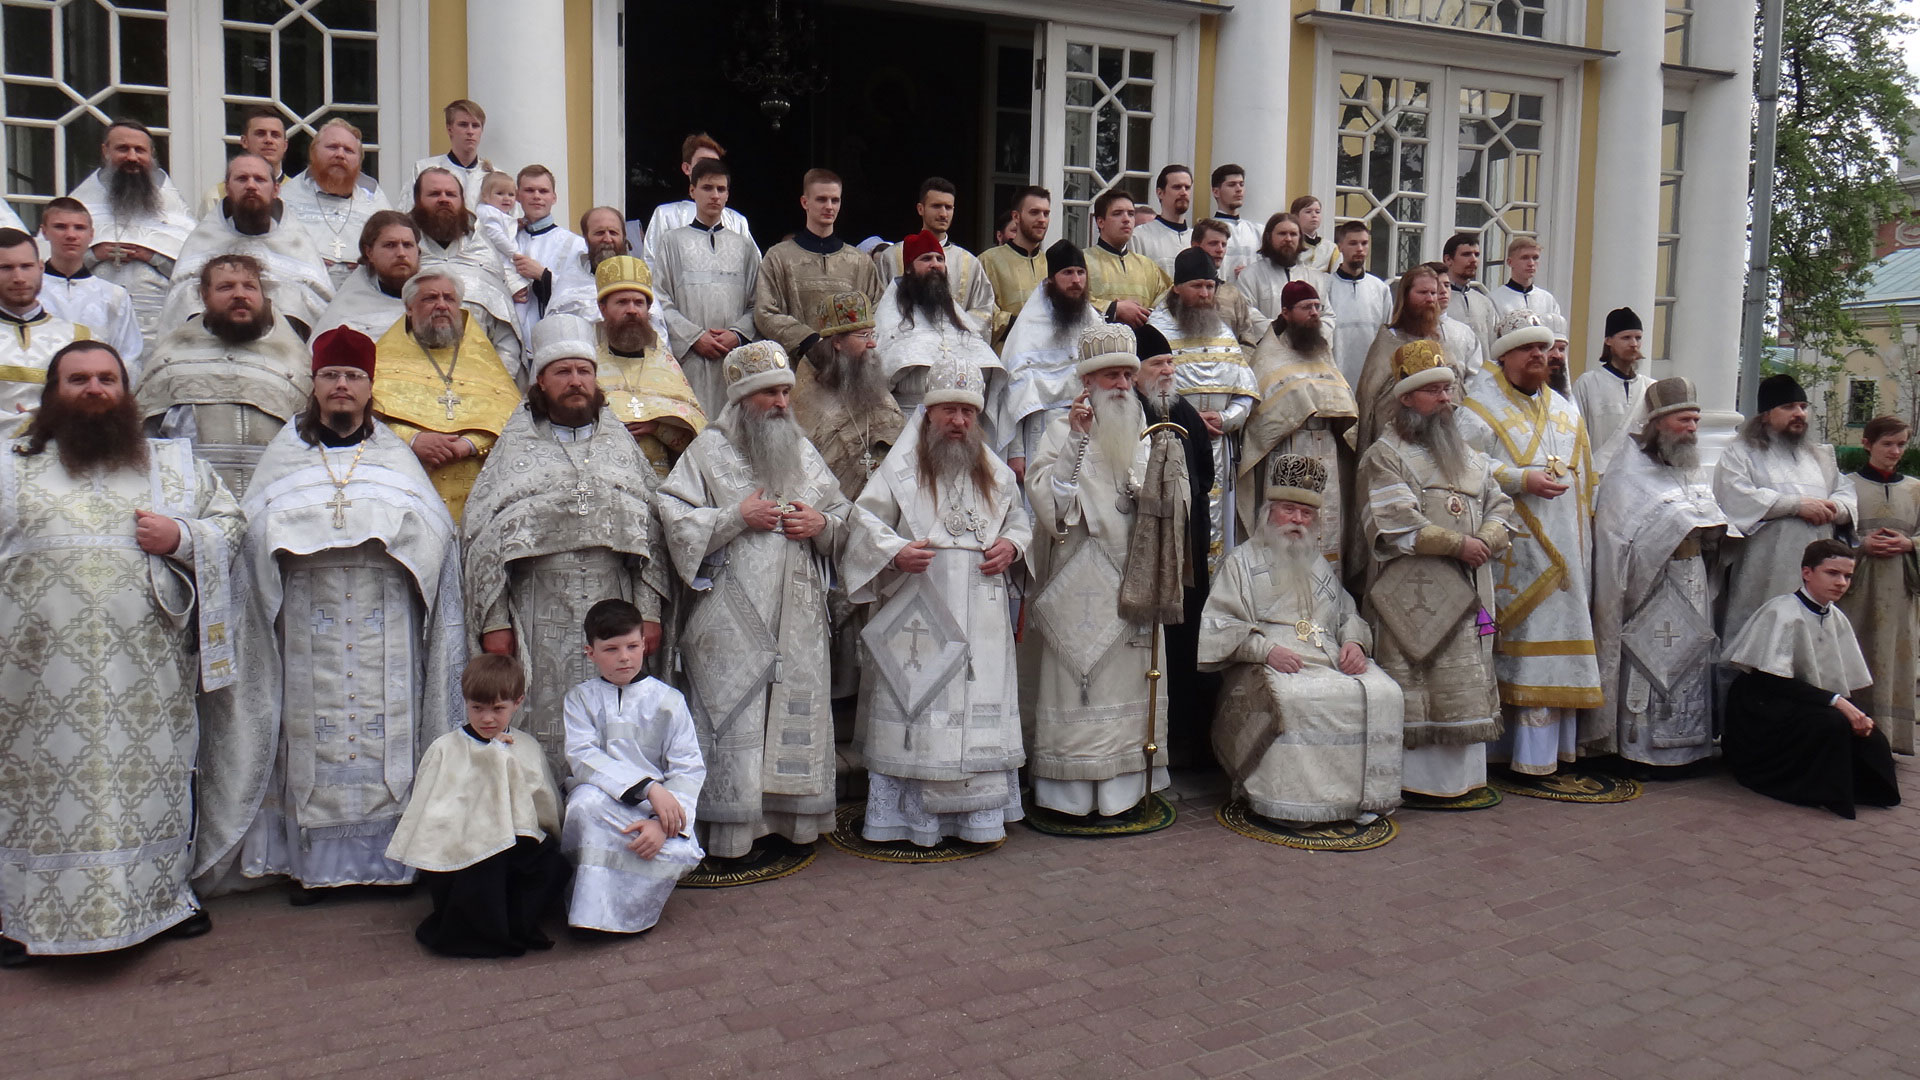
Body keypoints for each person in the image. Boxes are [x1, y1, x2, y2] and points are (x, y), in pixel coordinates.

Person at [0, 341, 242, 964]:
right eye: (78, 378)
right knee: (33, 797)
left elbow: (231, 523)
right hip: (33, 685)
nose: (94, 389)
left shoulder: (171, 467)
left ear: (128, 392)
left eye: (108, 378)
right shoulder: (9, 466)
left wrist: (185, 536)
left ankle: (159, 903)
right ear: (53, 392)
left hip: (147, 679)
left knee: (151, 789)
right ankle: (23, 917)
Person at [229, 326, 465, 901]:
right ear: (314, 385)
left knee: (389, 736)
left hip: (387, 609)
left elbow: (436, 535)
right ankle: (312, 868)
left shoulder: (392, 454)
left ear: (369, 386)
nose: (342, 386)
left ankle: (393, 861)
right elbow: (251, 529)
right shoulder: (284, 452)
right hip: (308, 613)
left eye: (353, 376)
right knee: (311, 736)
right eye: (331, 376)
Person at [654, 341, 888, 858]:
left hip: (798, 610)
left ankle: (792, 824)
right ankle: (732, 832)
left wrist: (821, 523)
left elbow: (843, 515)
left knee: (790, 710)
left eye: (785, 391)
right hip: (730, 613)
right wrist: (736, 517)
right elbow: (672, 516)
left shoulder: (802, 450)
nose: (782, 402)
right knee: (735, 710)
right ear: (741, 400)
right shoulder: (707, 451)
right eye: (769, 394)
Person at [464, 314, 672, 780]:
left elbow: (652, 531)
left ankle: (615, 813)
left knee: (615, 726)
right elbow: (484, 539)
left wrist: (650, 612)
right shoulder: (515, 448)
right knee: (543, 714)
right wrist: (495, 622)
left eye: (584, 371)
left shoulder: (618, 446)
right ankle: (541, 819)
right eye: (563, 372)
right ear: (541, 381)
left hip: (613, 599)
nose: (575, 381)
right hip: (539, 606)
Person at [848, 355, 1027, 846]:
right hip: (920, 615)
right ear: (928, 412)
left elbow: (1018, 521)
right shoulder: (900, 471)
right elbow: (864, 523)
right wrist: (896, 551)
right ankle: (912, 821)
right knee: (922, 715)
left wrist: (1012, 544)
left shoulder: (994, 471)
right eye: (948, 410)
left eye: (968, 413)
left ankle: (977, 820)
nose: (959, 421)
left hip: (985, 621)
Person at [1200, 454, 1405, 824]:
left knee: (1386, 691)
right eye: (1289, 510)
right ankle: (1290, 803)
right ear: (1269, 512)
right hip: (1268, 660)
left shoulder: (1318, 560)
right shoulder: (1241, 562)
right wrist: (1265, 650)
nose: (1297, 520)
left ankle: (1361, 800)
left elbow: (1346, 614)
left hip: (1327, 655)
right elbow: (1220, 623)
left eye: (1306, 514)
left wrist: (1354, 644)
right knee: (1295, 699)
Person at [1022, 325, 1169, 817]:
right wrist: (1078, 443)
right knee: (1080, 684)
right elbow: (1048, 503)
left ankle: (1126, 790)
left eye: (1129, 374)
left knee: (1128, 684)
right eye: (1113, 375)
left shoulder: (1142, 435)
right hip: (1078, 587)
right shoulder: (1061, 432)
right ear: (1089, 382)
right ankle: (1070, 795)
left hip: (1133, 580)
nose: (1124, 385)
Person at [1357, 341, 1513, 801]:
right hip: (1413, 593)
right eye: (1435, 392)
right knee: (1419, 677)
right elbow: (1395, 524)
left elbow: (1500, 504)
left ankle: (1463, 780)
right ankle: (1417, 782)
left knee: (1465, 677)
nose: (1447, 400)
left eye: (1449, 391)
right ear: (1408, 399)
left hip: (1469, 587)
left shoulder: (1468, 454)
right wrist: (1460, 544)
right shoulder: (1385, 455)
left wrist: (1485, 539)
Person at [1458, 311, 1601, 778]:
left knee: (1556, 646)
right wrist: (1520, 478)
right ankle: (1502, 754)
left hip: (1566, 549)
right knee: (1506, 648)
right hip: (1511, 552)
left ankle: (1545, 755)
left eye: (1545, 348)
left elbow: (1587, 476)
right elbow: (1461, 466)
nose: (1541, 355)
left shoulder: (1564, 407)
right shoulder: (1476, 409)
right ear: (1505, 356)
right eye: (1528, 349)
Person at [1585, 378, 1729, 772]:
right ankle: (1640, 750)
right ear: (1658, 423)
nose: (1693, 429)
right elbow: (1619, 538)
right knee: (1650, 660)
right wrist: (1677, 525)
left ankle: (1689, 750)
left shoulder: (1690, 469)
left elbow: (1706, 511)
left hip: (1692, 578)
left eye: (1696, 420)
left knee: (1690, 657)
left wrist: (1712, 529)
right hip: (1650, 587)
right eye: (1685, 420)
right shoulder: (1626, 472)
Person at [385, 654, 570, 959]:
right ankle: (478, 934)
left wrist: (544, 835)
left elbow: (543, 802)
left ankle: (515, 924)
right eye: (477, 708)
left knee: (553, 867)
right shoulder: (446, 748)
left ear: (517, 702)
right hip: (460, 847)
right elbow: (432, 809)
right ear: (465, 702)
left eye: (498, 709)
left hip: (513, 842)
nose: (487, 719)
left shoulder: (525, 746)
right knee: (486, 865)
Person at [1723, 539, 1900, 819]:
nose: (1842, 583)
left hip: (1804, 699)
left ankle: (1861, 789)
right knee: (1831, 724)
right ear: (1807, 572)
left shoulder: (1835, 617)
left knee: (1871, 736)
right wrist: (1839, 704)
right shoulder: (1781, 611)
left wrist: (1847, 709)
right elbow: (1771, 679)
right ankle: (1821, 791)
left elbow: (1835, 679)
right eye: (1832, 573)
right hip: (1763, 706)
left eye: (1847, 576)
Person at [561, 599, 707, 934]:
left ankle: (631, 917)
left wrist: (660, 823)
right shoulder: (580, 699)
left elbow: (688, 769)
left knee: (676, 851)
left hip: (655, 813)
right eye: (611, 649)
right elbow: (583, 758)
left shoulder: (668, 700)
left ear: (645, 644)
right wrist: (649, 787)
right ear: (590, 652)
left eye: (632, 646)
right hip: (605, 806)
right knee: (583, 805)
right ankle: (588, 915)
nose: (624, 657)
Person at [138, 253, 313, 496]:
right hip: (193, 503)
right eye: (226, 287)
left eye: (250, 286)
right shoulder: (171, 357)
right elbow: (147, 440)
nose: (240, 295)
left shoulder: (294, 360)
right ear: (204, 296)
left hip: (273, 499)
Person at [370, 270, 521, 522]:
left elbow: (512, 419)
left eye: (449, 299)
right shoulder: (382, 360)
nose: (441, 305)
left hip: (478, 497)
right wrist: (412, 439)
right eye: (430, 298)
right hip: (407, 493)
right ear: (409, 308)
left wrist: (469, 444)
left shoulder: (482, 360)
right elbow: (365, 420)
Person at [1714, 373, 1857, 637]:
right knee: (1761, 635)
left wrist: (1835, 508)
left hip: (1817, 565)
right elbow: (1735, 496)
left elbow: (1845, 492)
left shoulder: (1821, 456)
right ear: (1766, 414)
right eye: (1789, 407)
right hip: (1765, 565)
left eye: (1803, 407)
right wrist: (1795, 505)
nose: (1799, 414)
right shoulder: (1741, 453)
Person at [1135, 325, 1218, 767]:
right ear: (1136, 373)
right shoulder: (1130, 411)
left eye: (1170, 363)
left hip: (1187, 546)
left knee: (1187, 641)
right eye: (1157, 364)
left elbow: (1205, 473)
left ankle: (1188, 742)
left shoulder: (1184, 411)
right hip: (1145, 550)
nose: (1167, 371)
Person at [1147, 248, 1258, 574]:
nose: (1206, 294)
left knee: (1216, 536)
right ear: (1177, 287)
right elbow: (1146, 391)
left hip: (1218, 449)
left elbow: (1246, 394)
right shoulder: (1158, 332)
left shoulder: (1223, 333)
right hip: (1170, 445)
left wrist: (1225, 419)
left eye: (1211, 286)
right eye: (1198, 286)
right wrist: (1190, 422)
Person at [1238, 280, 1356, 576]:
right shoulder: (1269, 354)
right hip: (1285, 447)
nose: (1315, 313)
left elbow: (1343, 398)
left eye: (1317, 307)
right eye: (1307, 308)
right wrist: (1301, 407)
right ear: (1286, 312)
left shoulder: (1321, 351)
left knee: (1325, 527)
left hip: (1326, 446)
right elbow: (1263, 413)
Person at [162, 153, 333, 336]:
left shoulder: (297, 244)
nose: (251, 186)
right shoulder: (203, 240)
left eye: (259, 179)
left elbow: (320, 306)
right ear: (227, 188)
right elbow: (178, 303)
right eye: (242, 179)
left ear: (276, 189)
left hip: (281, 355)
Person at [69, 120, 196, 349]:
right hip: (94, 319)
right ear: (105, 151)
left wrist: (153, 257)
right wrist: (94, 255)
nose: (132, 157)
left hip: (158, 323)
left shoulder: (173, 210)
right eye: (122, 148)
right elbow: (54, 271)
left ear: (151, 155)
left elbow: (195, 273)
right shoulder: (81, 206)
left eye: (139, 150)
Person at [1836, 416, 1919, 754]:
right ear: (1867, 444)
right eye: (1887, 444)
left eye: (1901, 444)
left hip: (1899, 592)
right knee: (1853, 656)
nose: (1895, 451)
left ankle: (1887, 740)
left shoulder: (1915, 489)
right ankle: (1848, 734)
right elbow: (1830, 535)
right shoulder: (1845, 486)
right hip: (1855, 591)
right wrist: (1859, 547)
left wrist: (1910, 545)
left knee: (1894, 658)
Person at [653, 157, 760, 415]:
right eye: (707, 188)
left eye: (721, 189)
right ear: (692, 191)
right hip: (690, 359)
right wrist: (694, 337)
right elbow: (660, 298)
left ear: (728, 194)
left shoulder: (744, 246)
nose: (715, 195)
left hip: (735, 358)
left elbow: (759, 301)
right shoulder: (671, 242)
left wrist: (737, 334)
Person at [591, 256, 707, 479]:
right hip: (605, 478)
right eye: (622, 302)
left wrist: (658, 428)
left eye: (638, 302)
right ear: (603, 308)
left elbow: (698, 442)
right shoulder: (588, 365)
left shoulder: (667, 365)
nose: (632, 310)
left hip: (663, 487)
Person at [999, 239, 1104, 482]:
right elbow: (1014, 396)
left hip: (1088, 424)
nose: (1076, 280)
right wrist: (1015, 453)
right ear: (1051, 280)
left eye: (1080, 272)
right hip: (1042, 429)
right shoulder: (1028, 327)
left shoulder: (1094, 322)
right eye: (1067, 273)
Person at [1350, 264, 1482, 455]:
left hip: (1439, 441)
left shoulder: (1439, 342)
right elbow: (1372, 402)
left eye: (1433, 293)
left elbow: (1457, 394)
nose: (1430, 299)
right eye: (1422, 293)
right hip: (1396, 444)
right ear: (1406, 296)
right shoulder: (1387, 341)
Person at [754, 168, 883, 361]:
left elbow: (878, 308)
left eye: (835, 200)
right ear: (805, 202)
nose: (829, 206)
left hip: (850, 367)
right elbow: (764, 312)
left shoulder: (860, 261)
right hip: (796, 368)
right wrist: (808, 340)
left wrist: (850, 342)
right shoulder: (778, 257)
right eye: (821, 199)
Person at [876, 229, 1004, 421]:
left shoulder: (958, 319)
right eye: (926, 259)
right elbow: (878, 382)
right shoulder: (891, 320)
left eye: (940, 259)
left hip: (958, 424)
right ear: (909, 268)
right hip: (908, 422)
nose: (935, 264)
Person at [410, 166, 524, 377]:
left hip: (480, 381)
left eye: (451, 194)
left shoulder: (484, 253)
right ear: (417, 200)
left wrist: (496, 383)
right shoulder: (402, 256)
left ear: (462, 202)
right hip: (414, 379)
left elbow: (506, 336)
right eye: (434, 194)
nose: (443, 199)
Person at [791, 291, 902, 498]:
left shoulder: (868, 378)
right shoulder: (807, 391)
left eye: (872, 334)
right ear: (837, 342)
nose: (873, 344)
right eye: (863, 336)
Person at [278, 117, 392, 289]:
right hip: (302, 295)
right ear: (313, 153)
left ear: (359, 162)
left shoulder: (374, 201)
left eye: (348, 150)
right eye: (332, 147)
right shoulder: (287, 198)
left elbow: (392, 247)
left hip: (361, 297)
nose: (340, 154)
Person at [875, 178, 997, 332]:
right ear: (921, 209)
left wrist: (955, 331)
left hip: (953, 347)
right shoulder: (892, 256)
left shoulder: (969, 262)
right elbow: (879, 306)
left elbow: (984, 310)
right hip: (906, 342)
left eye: (948, 207)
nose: (943, 214)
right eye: (936, 206)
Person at [37, 198, 144, 368]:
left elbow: (128, 355)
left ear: (91, 235)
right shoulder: (30, 291)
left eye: (79, 228)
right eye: (60, 227)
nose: (71, 235)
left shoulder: (114, 296)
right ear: (44, 232)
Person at [0, 227, 93, 417]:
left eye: (26, 266)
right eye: (5, 268)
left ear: (40, 268)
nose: (18, 278)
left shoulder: (81, 340)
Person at [640, 133, 757, 270]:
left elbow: (754, 268)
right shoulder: (666, 215)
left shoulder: (737, 221)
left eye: (715, 163)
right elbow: (651, 265)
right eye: (703, 162)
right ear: (687, 168)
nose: (709, 168)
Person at [510, 165, 597, 342]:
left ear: (554, 197)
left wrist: (544, 276)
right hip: (511, 335)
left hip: (555, 336)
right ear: (518, 196)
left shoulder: (576, 244)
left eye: (543, 191)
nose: (537, 196)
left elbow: (584, 297)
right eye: (529, 190)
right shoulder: (507, 238)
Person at [310, 210, 421, 339]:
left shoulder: (437, 297)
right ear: (369, 252)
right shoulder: (346, 310)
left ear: (418, 251)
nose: (401, 253)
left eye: (407, 245)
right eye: (390, 245)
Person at [1571, 307, 1655, 472]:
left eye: (1638, 338)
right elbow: (1576, 436)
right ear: (1608, 340)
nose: (1634, 344)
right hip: (1598, 476)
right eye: (1626, 338)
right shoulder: (1588, 383)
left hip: (1639, 476)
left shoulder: (1651, 387)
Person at [1084, 189, 1170, 330]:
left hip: (1141, 346)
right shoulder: (1083, 261)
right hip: (1098, 346)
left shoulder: (1148, 265)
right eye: (1117, 214)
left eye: (1131, 214)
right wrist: (1113, 309)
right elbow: (1070, 303)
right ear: (1100, 222)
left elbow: (1167, 302)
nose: (1126, 219)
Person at [977, 186, 1051, 347]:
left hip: (1047, 358)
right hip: (1005, 356)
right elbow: (980, 312)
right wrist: (1024, 324)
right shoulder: (988, 260)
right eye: (1034, 212)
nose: (1042, 219)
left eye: (1046, 213)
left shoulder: (1051, 263)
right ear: (1016, 216)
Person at [1236, 213, 1332, 336]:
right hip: (1268, 350)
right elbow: (1246, 312)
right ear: (1269, 237)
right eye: (1282, 234)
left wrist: (1308, 332)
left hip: (1308, 349)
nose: (1288, 239)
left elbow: (1328, 316)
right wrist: (1282, 331)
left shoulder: (1315, 277)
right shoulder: (1250, 275)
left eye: (1293, 234)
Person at [1324, 221, 1391, 388]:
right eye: (1353, 243)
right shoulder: (1326, 287)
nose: (1359, 248)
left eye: (1364, 243)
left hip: (1371, 375)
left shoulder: (1380, 288)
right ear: (1340, 247)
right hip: (1335, 374)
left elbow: (1388, 336)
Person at [1190, 219, 1270, 348]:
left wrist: (1236, 366)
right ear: (1195, 246)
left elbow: (1247, 341)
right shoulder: (1179, 291)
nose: (1220, 250)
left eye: (1224, 244)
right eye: (1213, 243)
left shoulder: (1232, 294)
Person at [403, 99, 496, 210]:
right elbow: (407, 213)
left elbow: (511, 222)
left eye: (475, 126)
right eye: (463, 125)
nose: (470, 131)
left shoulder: (495, 176)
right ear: (449, 129)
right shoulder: (423, 169)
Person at [197, 106, 289, 217]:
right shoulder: (217, 197)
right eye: (260, 133)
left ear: (284, 145)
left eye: (275, 135)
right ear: (244, 141)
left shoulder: (300, 193)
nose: (268, 140)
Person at [1128, 165, 1195, 276]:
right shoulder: (1139, 237)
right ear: (1160, 193)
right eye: (1177, 187)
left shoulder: (1196, 239)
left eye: (1187, 187)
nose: (1184, 192)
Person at [1440, 233, 1497, 359]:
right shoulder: (1438, 301)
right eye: (1466, 254)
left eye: (1476, 254)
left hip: (1482, 374)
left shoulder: (1484, 302)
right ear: (1448, 259)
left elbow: (1493, 344)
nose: (1473, 260)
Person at [1209, 164, 1264, 282]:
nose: (1239, 189)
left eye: (1241, 184)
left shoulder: (1257, 231)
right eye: (1232, 185)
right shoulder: (1207, 230)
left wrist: (1251, 273)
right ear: (1216, 192)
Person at [1488, 236, 1560, 321]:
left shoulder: (1547, 300)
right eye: (1525, 258)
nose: (1531, 263)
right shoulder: (1494, 300)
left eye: (1535, 258)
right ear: (1510, 262)